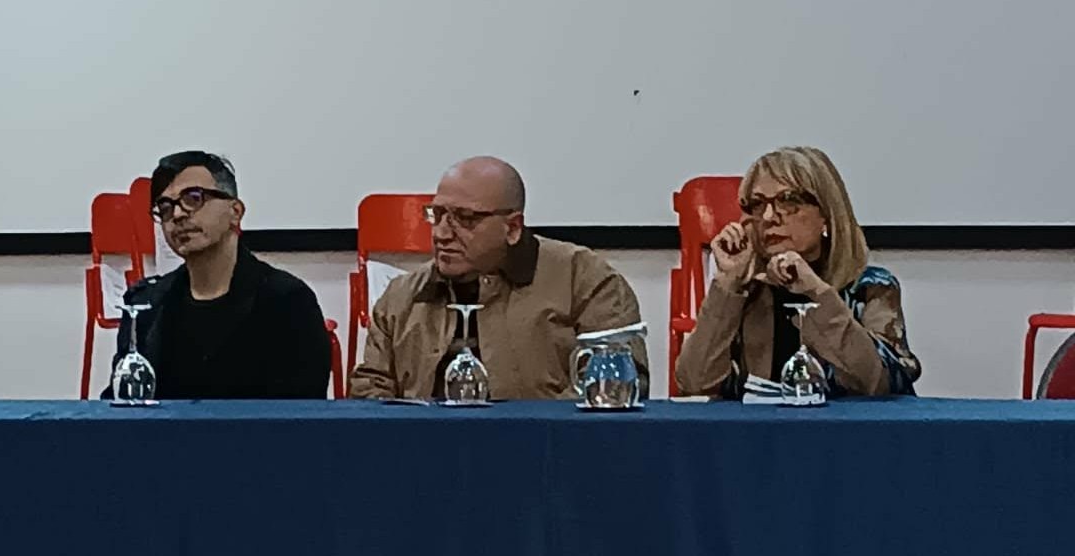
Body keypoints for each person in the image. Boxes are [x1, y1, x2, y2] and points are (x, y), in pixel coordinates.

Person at [348, 156, 648, 399]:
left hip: (547, 447)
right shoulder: (401, 296)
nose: (441, 233)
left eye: (465, 218)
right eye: (436, 215)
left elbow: (618, 385)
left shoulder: (583, 278)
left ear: (513, 227)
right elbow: (369, 391)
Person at [675, 146, 920, 398]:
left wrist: (817, 292)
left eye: (788, 200)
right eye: (757, 204)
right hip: (762, 423)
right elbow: (694, 384)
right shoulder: (747, 291)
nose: (768, 217)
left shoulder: (871, 287)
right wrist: (727, 285)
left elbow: (879, 384)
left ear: (826, 213)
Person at [102, 151, 331, 400]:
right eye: (165, 208)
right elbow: (122, 401)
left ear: (235, 211)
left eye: (193, 198)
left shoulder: (288, 302)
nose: (177, 215)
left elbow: (303, 413)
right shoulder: (147, 305)